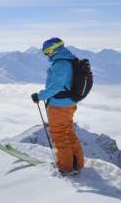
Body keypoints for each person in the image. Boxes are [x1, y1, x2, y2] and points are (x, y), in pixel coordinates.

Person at [32, 37, 85, 175]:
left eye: (47, 52)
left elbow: (56, 86)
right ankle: (77, 163)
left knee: (60, 135)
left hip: (59, 106)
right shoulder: (69, 60)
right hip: (68, 104)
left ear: (53, 50)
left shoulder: (61, 64)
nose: (47, 55)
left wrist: (40, 96)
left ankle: (65, 167)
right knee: (68, 132)